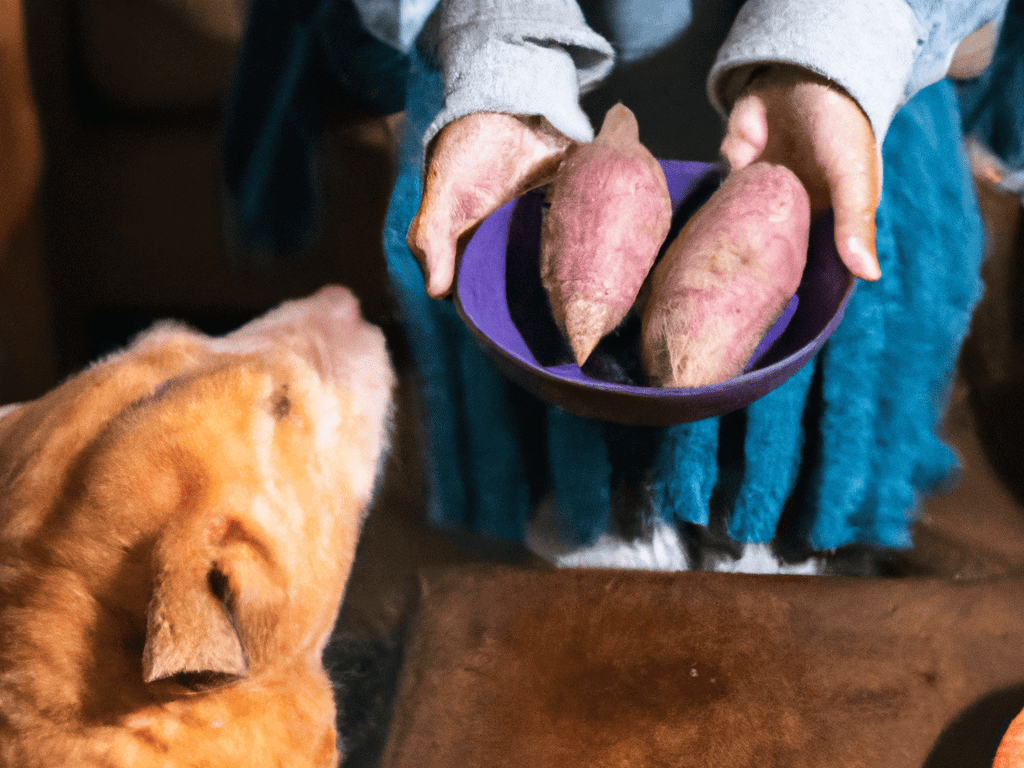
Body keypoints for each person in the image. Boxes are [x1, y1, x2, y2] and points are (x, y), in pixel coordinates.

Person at [224, 0, 1011, 571]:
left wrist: (845, 34)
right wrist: (498, 42)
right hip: (520, 132)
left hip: (853, 108)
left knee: (788, 548)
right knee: (583, 570)